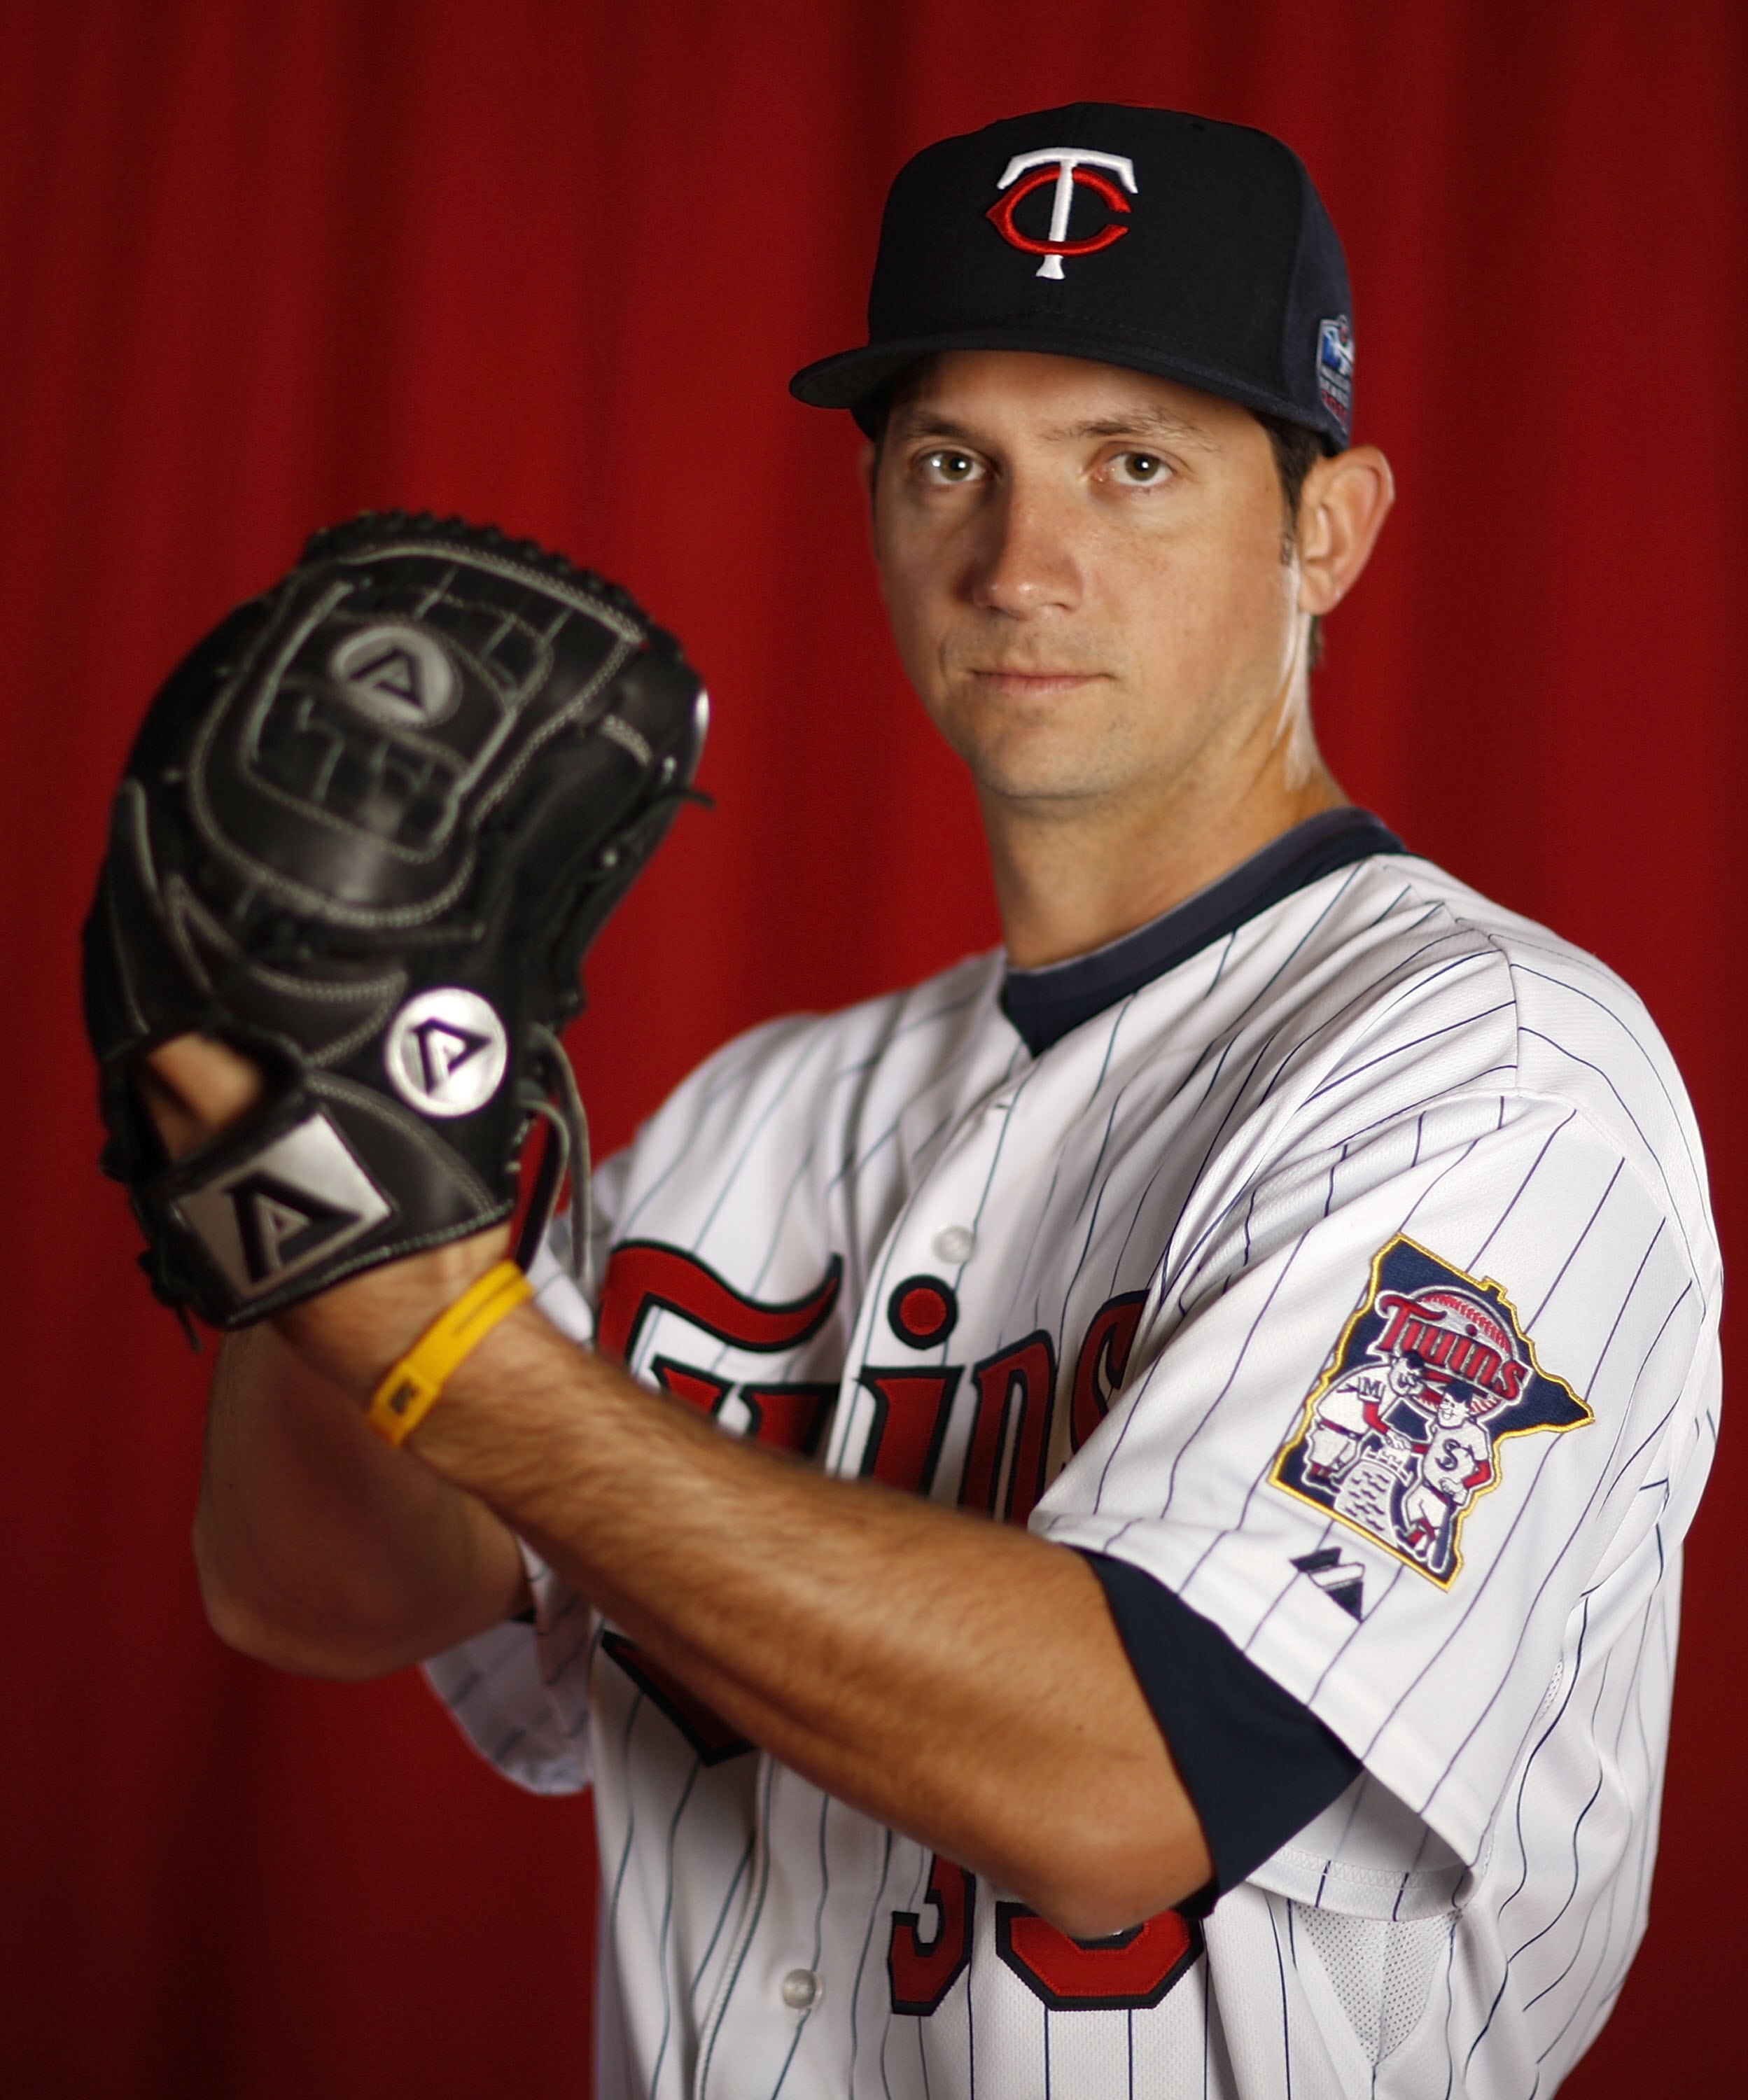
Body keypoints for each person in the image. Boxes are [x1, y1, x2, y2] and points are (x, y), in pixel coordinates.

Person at [143, 105, 1719, 2097]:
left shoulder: (1486, 1073)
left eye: (1130, 465)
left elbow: (1131, 1778)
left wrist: (433, 1333)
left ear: (1326, 527)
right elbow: (326, 1594)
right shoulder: (751, 1121)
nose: (1016, 562)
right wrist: (322, 1148)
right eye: (948, 462)